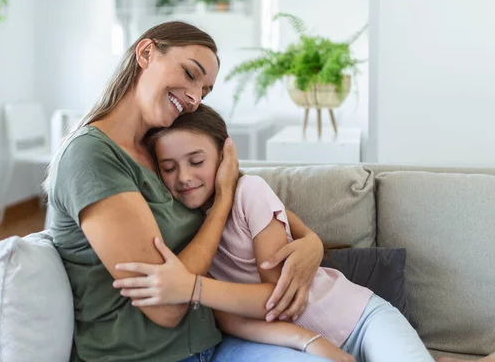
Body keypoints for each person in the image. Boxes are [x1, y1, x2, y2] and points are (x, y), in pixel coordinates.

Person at [45, 21, 326, 362]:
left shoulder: (161, 149)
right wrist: (221, 203)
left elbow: (249, 197)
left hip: (216, 340)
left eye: (205, 92)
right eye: (191, 74)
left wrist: (312, 241)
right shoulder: (91, 156)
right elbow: (166, 307)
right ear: (146, 53)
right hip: (146, 355)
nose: (195, 98)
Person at [114, 104, 437, 362]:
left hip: (362, 320)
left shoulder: (249, 192)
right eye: (169, 168)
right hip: (298, 345)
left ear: (225, 155)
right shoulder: (182, 225)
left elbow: (277, 297)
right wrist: (311, 342)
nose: (184, 177)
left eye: (196, 161)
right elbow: (230, 321)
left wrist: (190, 287)